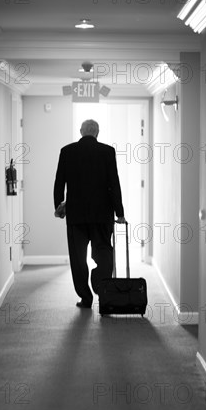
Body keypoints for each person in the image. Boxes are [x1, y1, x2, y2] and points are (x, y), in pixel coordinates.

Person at [53, 119, 126, 308]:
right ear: (97, 133)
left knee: (78, 257)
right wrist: (120, 213)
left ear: (80, 131)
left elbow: (59, 182)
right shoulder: (107, 152)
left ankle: (85, 297)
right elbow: (114, 183)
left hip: (76, 215)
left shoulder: (67, 151)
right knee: (103, 253)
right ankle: (101, 289)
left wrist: (59, 206)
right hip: (102, 215)